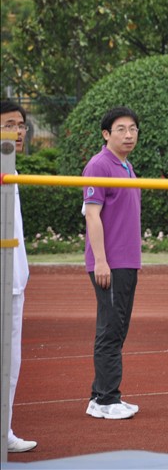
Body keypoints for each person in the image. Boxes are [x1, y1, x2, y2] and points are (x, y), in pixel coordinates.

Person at [82, 107, 142, 420]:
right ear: (106, 134)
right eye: (121, 129)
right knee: (111, 329)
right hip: (111, 263)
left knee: (117, 328)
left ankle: (100, 396)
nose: (128, 135)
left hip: (127, 262)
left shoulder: (126, 166)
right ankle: (106, 399)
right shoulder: (99, 165)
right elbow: (92, 215)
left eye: (133, 129)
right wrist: (101, 261)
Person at [1, 101, 37, 453]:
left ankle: (4, 430)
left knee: (11, 364)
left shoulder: (10, 171)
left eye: (21, 125)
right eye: (9, 124)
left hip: (13, 283)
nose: (18, 131)